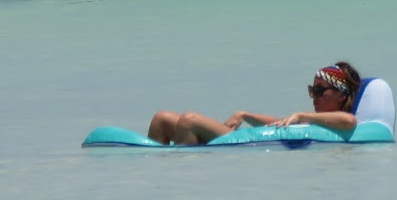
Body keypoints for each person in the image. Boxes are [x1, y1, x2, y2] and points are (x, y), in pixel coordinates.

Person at [146, 62, 363, 145]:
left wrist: (301, 116)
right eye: (312, 90)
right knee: (161, 119)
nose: (314, 97)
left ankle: (181, 175)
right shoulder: (314, 120)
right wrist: (244, 115)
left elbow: (350, 121)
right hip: (247, 137)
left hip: (244, 145)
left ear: (341, 96)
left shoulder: (341, 122)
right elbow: (277, 123)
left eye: (320, 91)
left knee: (189, 120)